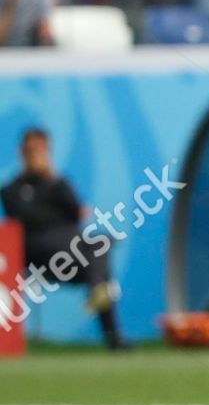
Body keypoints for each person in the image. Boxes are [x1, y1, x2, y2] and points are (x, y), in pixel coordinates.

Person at [1, 129, 125, 349]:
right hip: (39, 254)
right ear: (22, 152)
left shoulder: (58, 183)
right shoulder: (11, 189)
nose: (37, 155)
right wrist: (57, 212)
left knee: (100, 244)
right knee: (98, 259)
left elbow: (75, 211)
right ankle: (107, 318)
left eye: (42, 149)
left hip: (71, 253)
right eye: (32, 149)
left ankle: (99, 294)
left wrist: (51, 181)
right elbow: (27, 218)